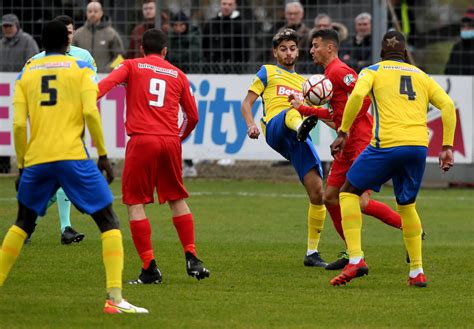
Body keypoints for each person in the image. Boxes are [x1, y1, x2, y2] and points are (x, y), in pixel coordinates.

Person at [1, 20, 148, 313]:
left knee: (22, 223)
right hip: (72, 156)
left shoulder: (27, 75)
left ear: (41, 44)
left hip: (38, 159)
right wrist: (103, 155)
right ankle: (115, 299)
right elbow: (91, 113)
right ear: (68, 44)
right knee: (108, 221)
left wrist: (22, 164)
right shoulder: (80, 70)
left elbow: (18, 124)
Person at [328, 30, 456, 287]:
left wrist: (343, 131)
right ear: (406, 52)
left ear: (381, 52)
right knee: (407, 206)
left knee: (348, 193)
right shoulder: (422, 76)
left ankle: (355, 259)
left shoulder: (372, 71)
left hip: (386, 145)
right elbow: (448, 107)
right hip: (418, 147)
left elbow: (356, 96)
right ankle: (416, 272)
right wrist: (447, 146)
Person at [98, 28, 210, 284]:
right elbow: (193, 117)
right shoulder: (178, 74)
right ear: (165, 51)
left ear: (141, 49)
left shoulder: (132, 65)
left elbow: (104, 86)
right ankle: (192, 256)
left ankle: (149, 267)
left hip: (142, 140)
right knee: (176, 197)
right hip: (170, 142)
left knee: (135, 203)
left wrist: (83, 103)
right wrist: (176, 138)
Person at [289, 29, 403, 270]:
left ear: (330, 48)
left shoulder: (340, 71)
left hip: (360, 142)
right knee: (329, 197)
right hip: (344, 146)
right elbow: (335, 113)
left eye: (316, 45)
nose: (311, 50)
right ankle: (354, 254)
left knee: (359, 202)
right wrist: (304, 108)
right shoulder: (327, 75)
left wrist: (346, 130)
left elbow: (364, 100)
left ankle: (410, 227)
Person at [241, 28, 327, 268]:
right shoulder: (267, 71)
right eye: (283, 49)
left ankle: (312, 253)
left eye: (292, 48)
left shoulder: (306, 84)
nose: (288, 53)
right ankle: (300, 126)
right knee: (293, 110)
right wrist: (250, 125)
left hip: (298, 135)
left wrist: (343, 131)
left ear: (297, 52)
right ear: (275, 52)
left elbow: (322, 112)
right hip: (276, 127)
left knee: (318, 193)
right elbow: (246, 103)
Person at [26, 15, 99, 245]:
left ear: (74, 32)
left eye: (70, 32)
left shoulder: (84, 56)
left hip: (72, 124)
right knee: (59, 178)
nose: (68, 36)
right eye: (64, 32)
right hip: (47, 127)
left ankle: (56, 226)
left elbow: (92, 90)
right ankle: (31, 223)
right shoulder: (35, 60)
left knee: (60, 178)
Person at [73, 1, 124, 73]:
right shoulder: (78, 34)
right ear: (86, 13)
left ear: (101, 13)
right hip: (82, 76)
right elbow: (70, 54)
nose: (92, 14)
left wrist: (109, 69)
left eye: (95, 11)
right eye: (90, 11)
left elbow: (119, 57)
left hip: (104, 76)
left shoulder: (111, 33)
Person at [202, 0, 249, 73]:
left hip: (234, 69)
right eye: (224, 4)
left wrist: (240, 68)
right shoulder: (211, 24)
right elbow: (204, 45)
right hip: (212, 68)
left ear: (235, 6)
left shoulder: (241, 25)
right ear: (220, 5)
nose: (226, 7)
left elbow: (245, 50)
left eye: (230, 4)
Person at [444, 6, 474, 75]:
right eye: (463, 26)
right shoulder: (457, 47)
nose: (465, 29)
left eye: (470, 26)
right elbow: (448, 71)